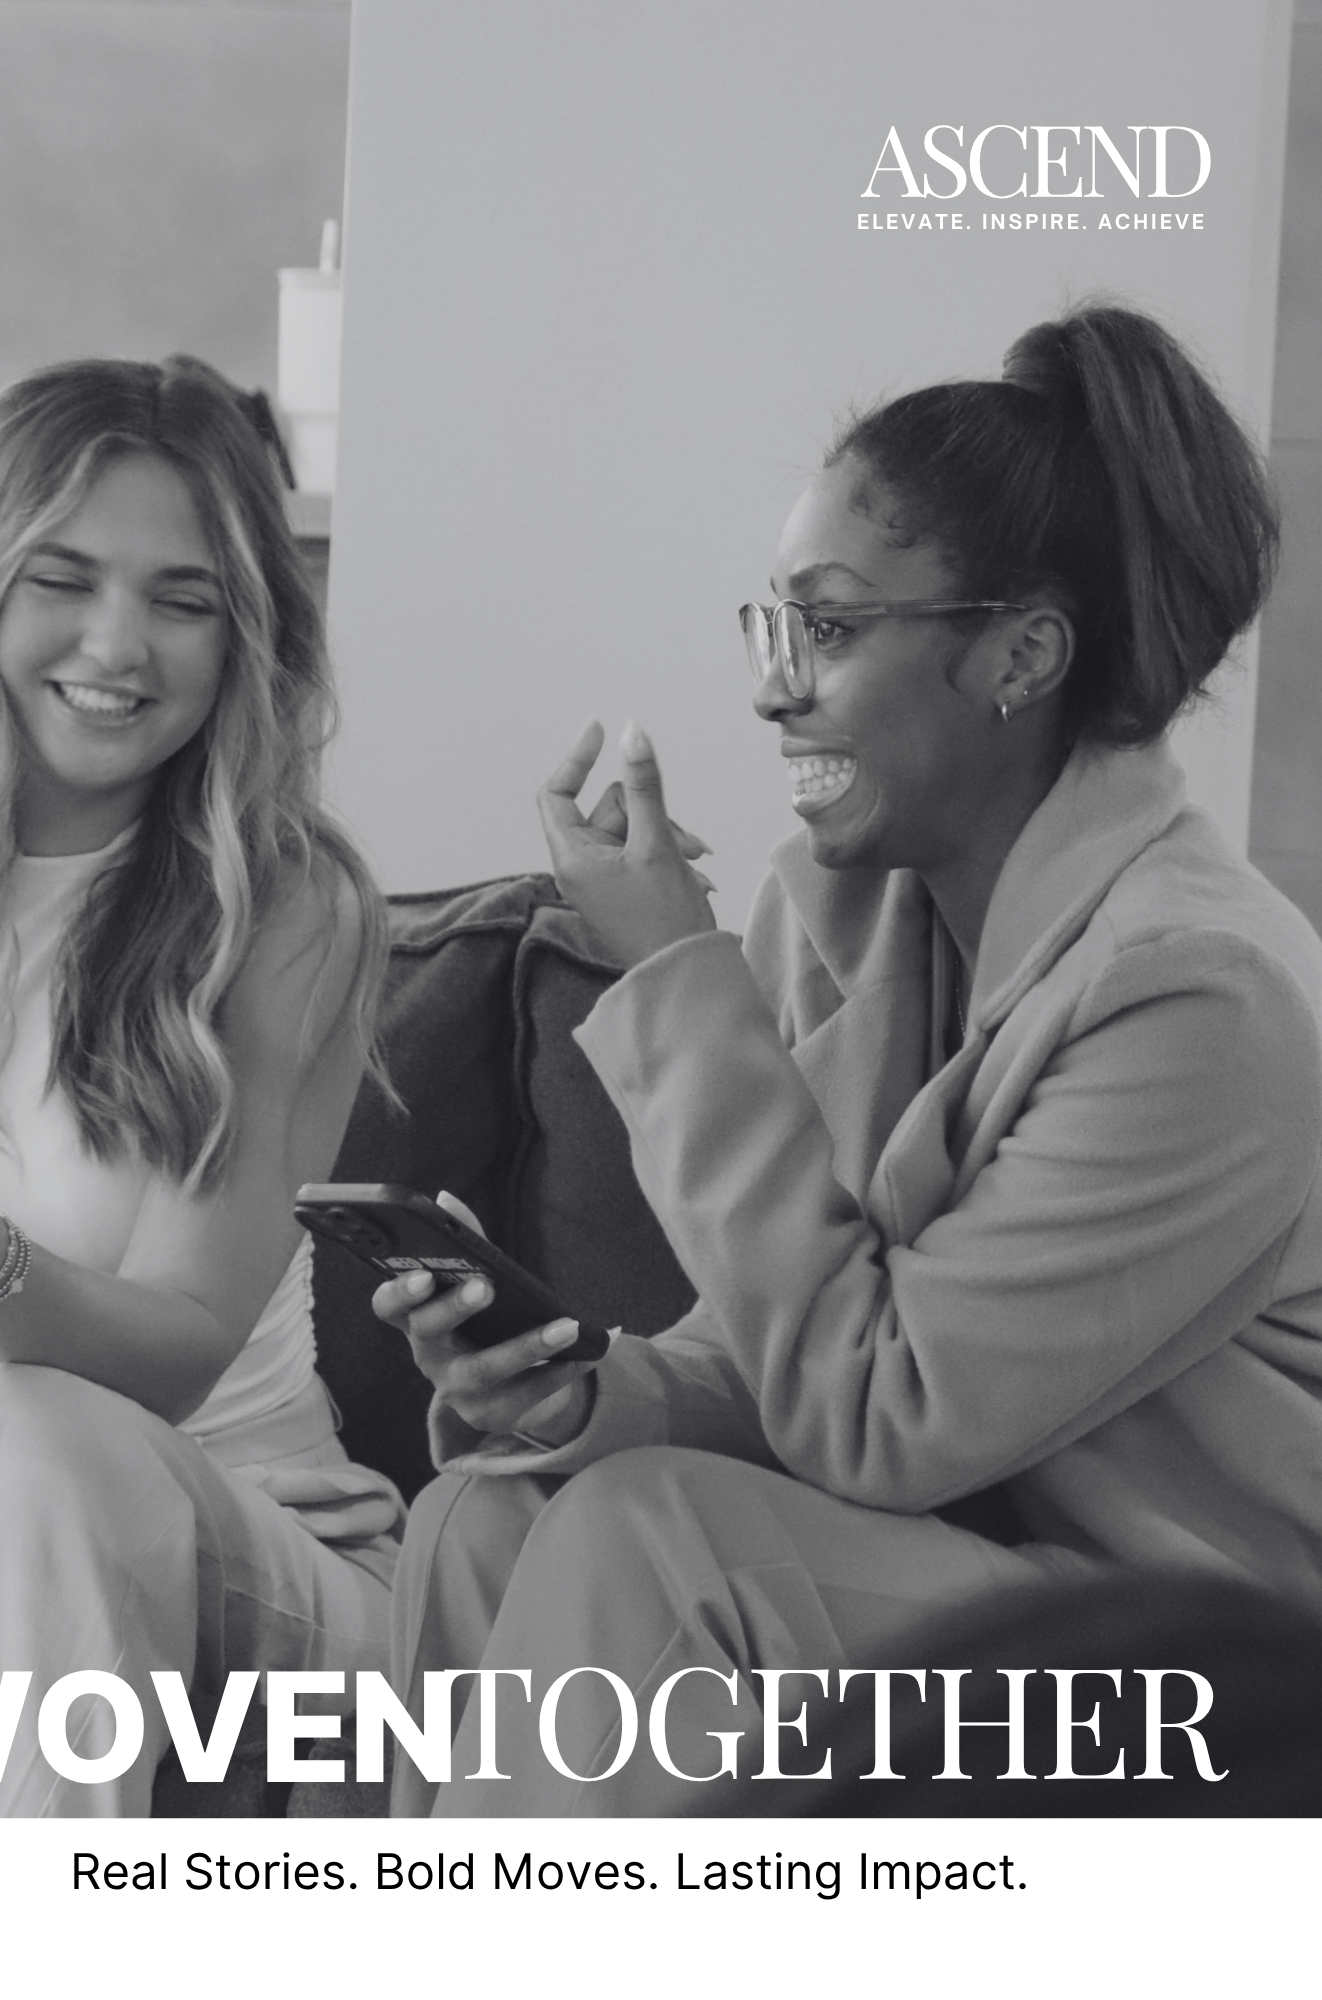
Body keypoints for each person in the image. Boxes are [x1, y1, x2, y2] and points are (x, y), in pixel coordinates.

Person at [377, 301, 1322, 1815]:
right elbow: (786, 1339)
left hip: (1214, 1665)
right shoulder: (853, 903)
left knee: (656, 1542)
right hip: (993, 1566)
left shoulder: (1204, 996)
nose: (771, 686)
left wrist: (676, 974)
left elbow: (882, 1415)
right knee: (496, 1518)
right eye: (775, 625)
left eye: (828, 626)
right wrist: (576, 1395)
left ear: (1020, 655)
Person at [0, 356, 400, 1816]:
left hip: (242, 1525)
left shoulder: (284, 909)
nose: (120, 647)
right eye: (64, 579)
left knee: (19, 1430)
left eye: (183, 601)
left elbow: (179, 1351)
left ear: (243, 634)